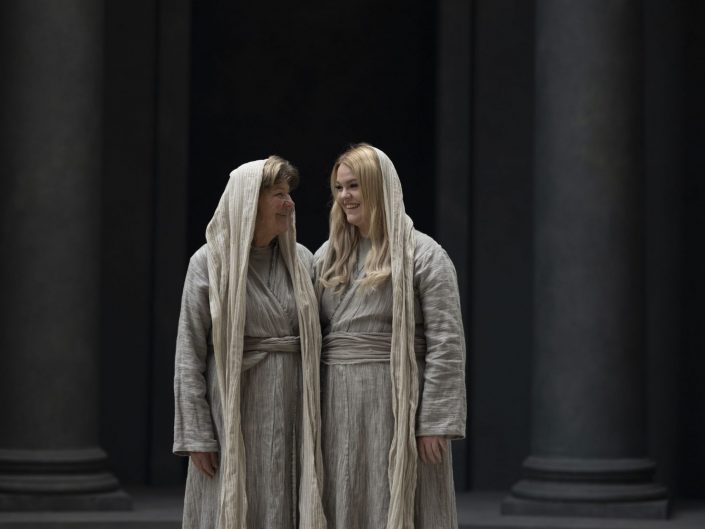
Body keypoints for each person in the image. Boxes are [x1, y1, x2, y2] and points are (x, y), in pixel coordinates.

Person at [315, 144, 466, 529]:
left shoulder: (425, 256)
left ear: (378, 186)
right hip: (335, 406)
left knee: (402, 500)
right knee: (342, 496)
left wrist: (434, 422)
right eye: (339, 188)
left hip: (399, 406)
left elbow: (446, 343)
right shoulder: (327, 257)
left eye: (354, 185)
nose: (345, 196)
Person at [173, 156, 326, 529]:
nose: (289, 203)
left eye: (289, 194)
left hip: (293, 407)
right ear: (249, 201)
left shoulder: (302, 261)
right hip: (232, 409)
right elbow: (189, 353)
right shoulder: (208, 262)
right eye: (279, 194)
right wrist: (197, 434)